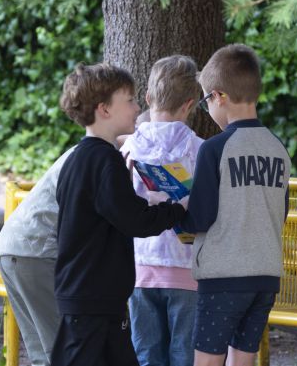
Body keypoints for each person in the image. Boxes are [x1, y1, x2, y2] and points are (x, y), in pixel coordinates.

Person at [51, 63, 189, 366]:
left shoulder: (78, 158)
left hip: (91, 295)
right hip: (93, 298)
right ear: (104, 109)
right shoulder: (106, 160)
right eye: (129, 100)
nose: (137, 108)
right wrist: (178, 208)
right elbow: (135, 220)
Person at [180, 44, 291, 366]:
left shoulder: (215, 148)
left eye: (205, 101)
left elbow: (200, 217)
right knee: (243, 359)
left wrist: (175, 214)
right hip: (265, 275)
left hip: (223, 275)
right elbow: (280, 212)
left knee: (208, 360)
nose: (207, 108)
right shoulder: (278, 148)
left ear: (218, 96)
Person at [120, 55, 203, 366]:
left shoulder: (128, 148)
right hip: (186, 269)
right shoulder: (200, 149)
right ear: (190, 104)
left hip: (140, 268)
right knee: (185, 356)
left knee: (146, 356)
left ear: (147, 97)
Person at [0, 145, 75, 366]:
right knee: (65, 351)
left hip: (12, 247)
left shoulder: (87, 150)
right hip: (37, 251)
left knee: (44, 354)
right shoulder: (104, 155)